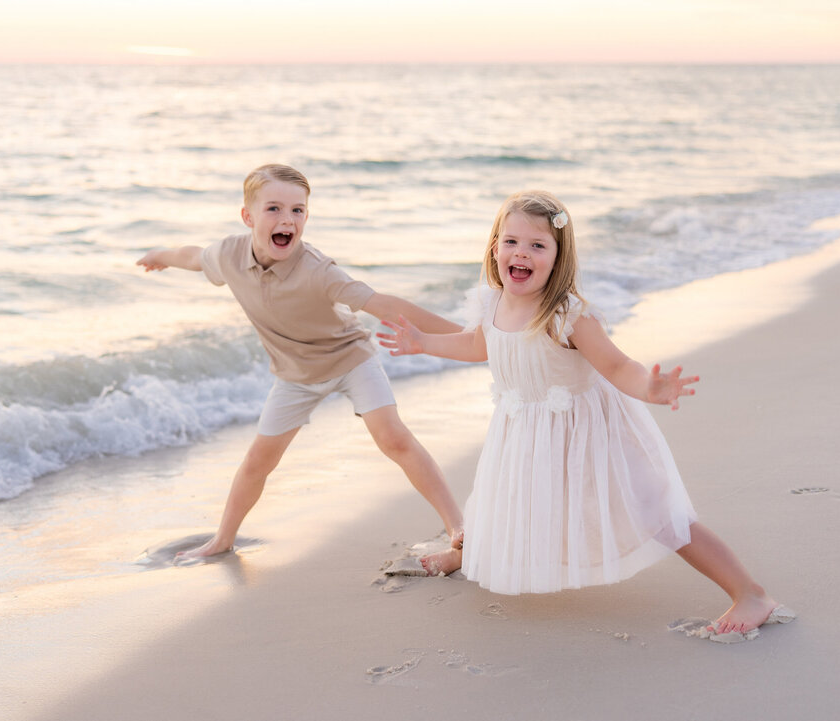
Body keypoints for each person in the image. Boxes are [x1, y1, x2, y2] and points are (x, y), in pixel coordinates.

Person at [377, 190, 787, 635]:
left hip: (592, 434)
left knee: (657, 513)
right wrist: (424, 343)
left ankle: (749, 593)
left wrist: (650, 387)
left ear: (558, 257)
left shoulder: (566, 316)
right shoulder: (492, 302)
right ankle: (469, 553)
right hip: (526, 430)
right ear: (495, 246)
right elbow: (478, 344)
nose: (522, 253)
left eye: (538, 245)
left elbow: (617, 366)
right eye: (511, 241)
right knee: (506, 494)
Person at [136, 163, 463, 562]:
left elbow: (385, 304)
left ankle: (456, 526)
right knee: (259, 460)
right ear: (248, 216)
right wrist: (162, 256)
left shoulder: (320, 271)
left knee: (394, 438)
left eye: (298, 211)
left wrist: (466, 337)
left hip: (349, 360)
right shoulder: (229, 255)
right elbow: (193, 256)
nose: (287, 220)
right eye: (273, 209)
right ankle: (222, 539)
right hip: (295, 376)